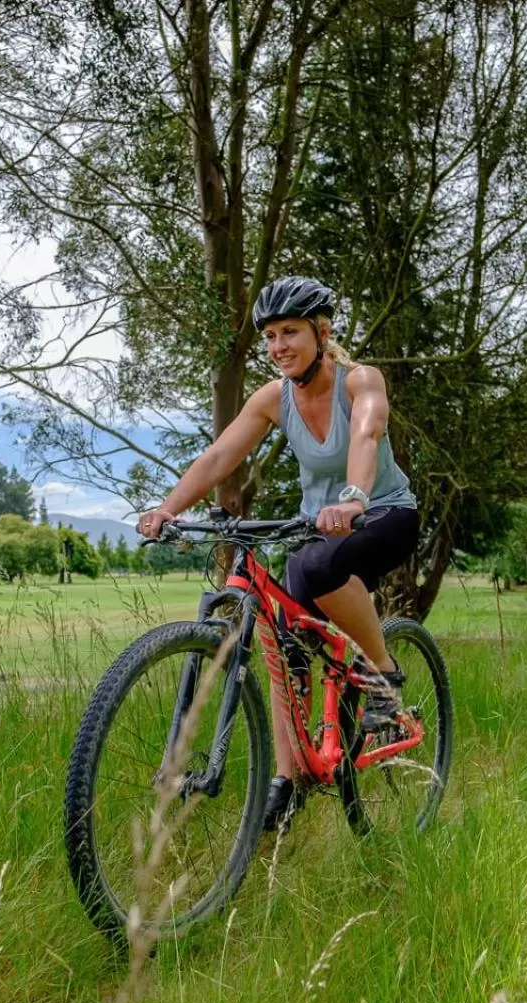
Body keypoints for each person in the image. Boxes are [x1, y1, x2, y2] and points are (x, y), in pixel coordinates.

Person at [136, 276, 420, 829]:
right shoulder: (273, 398)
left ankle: (383, 676)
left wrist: (354, 498)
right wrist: (168, 508)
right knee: (282, 644)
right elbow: (219, 457)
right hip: (319, 526)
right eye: (269, 336)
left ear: (322, 332)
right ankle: (287, 782)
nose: (278, 346)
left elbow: (367, 434)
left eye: (290, 332)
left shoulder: (360, 380)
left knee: (313, 566)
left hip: (383, 515)